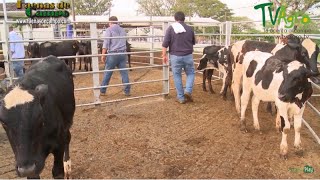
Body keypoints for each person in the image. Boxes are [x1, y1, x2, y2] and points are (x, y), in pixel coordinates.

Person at [162, 11, 196, 104]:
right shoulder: (190, 29)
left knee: (177, 75)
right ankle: (188, 91)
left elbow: (165, 44)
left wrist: (164, 55)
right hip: (188, 55)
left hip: (175, 56)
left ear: (175, 18)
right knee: (191, 73)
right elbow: (193, 42)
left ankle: (181, 97)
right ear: (184, 19)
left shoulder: (170, 28)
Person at [100, 16, 130, 96]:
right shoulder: (123, 30)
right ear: (117, 22)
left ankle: (103, 90)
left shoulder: (109, 30)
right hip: (123, 53)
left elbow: (106, 43)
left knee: (108, 72)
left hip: (113, 53)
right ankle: (127, 91)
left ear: (110, 22)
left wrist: (103, 55)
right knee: (124, 73)